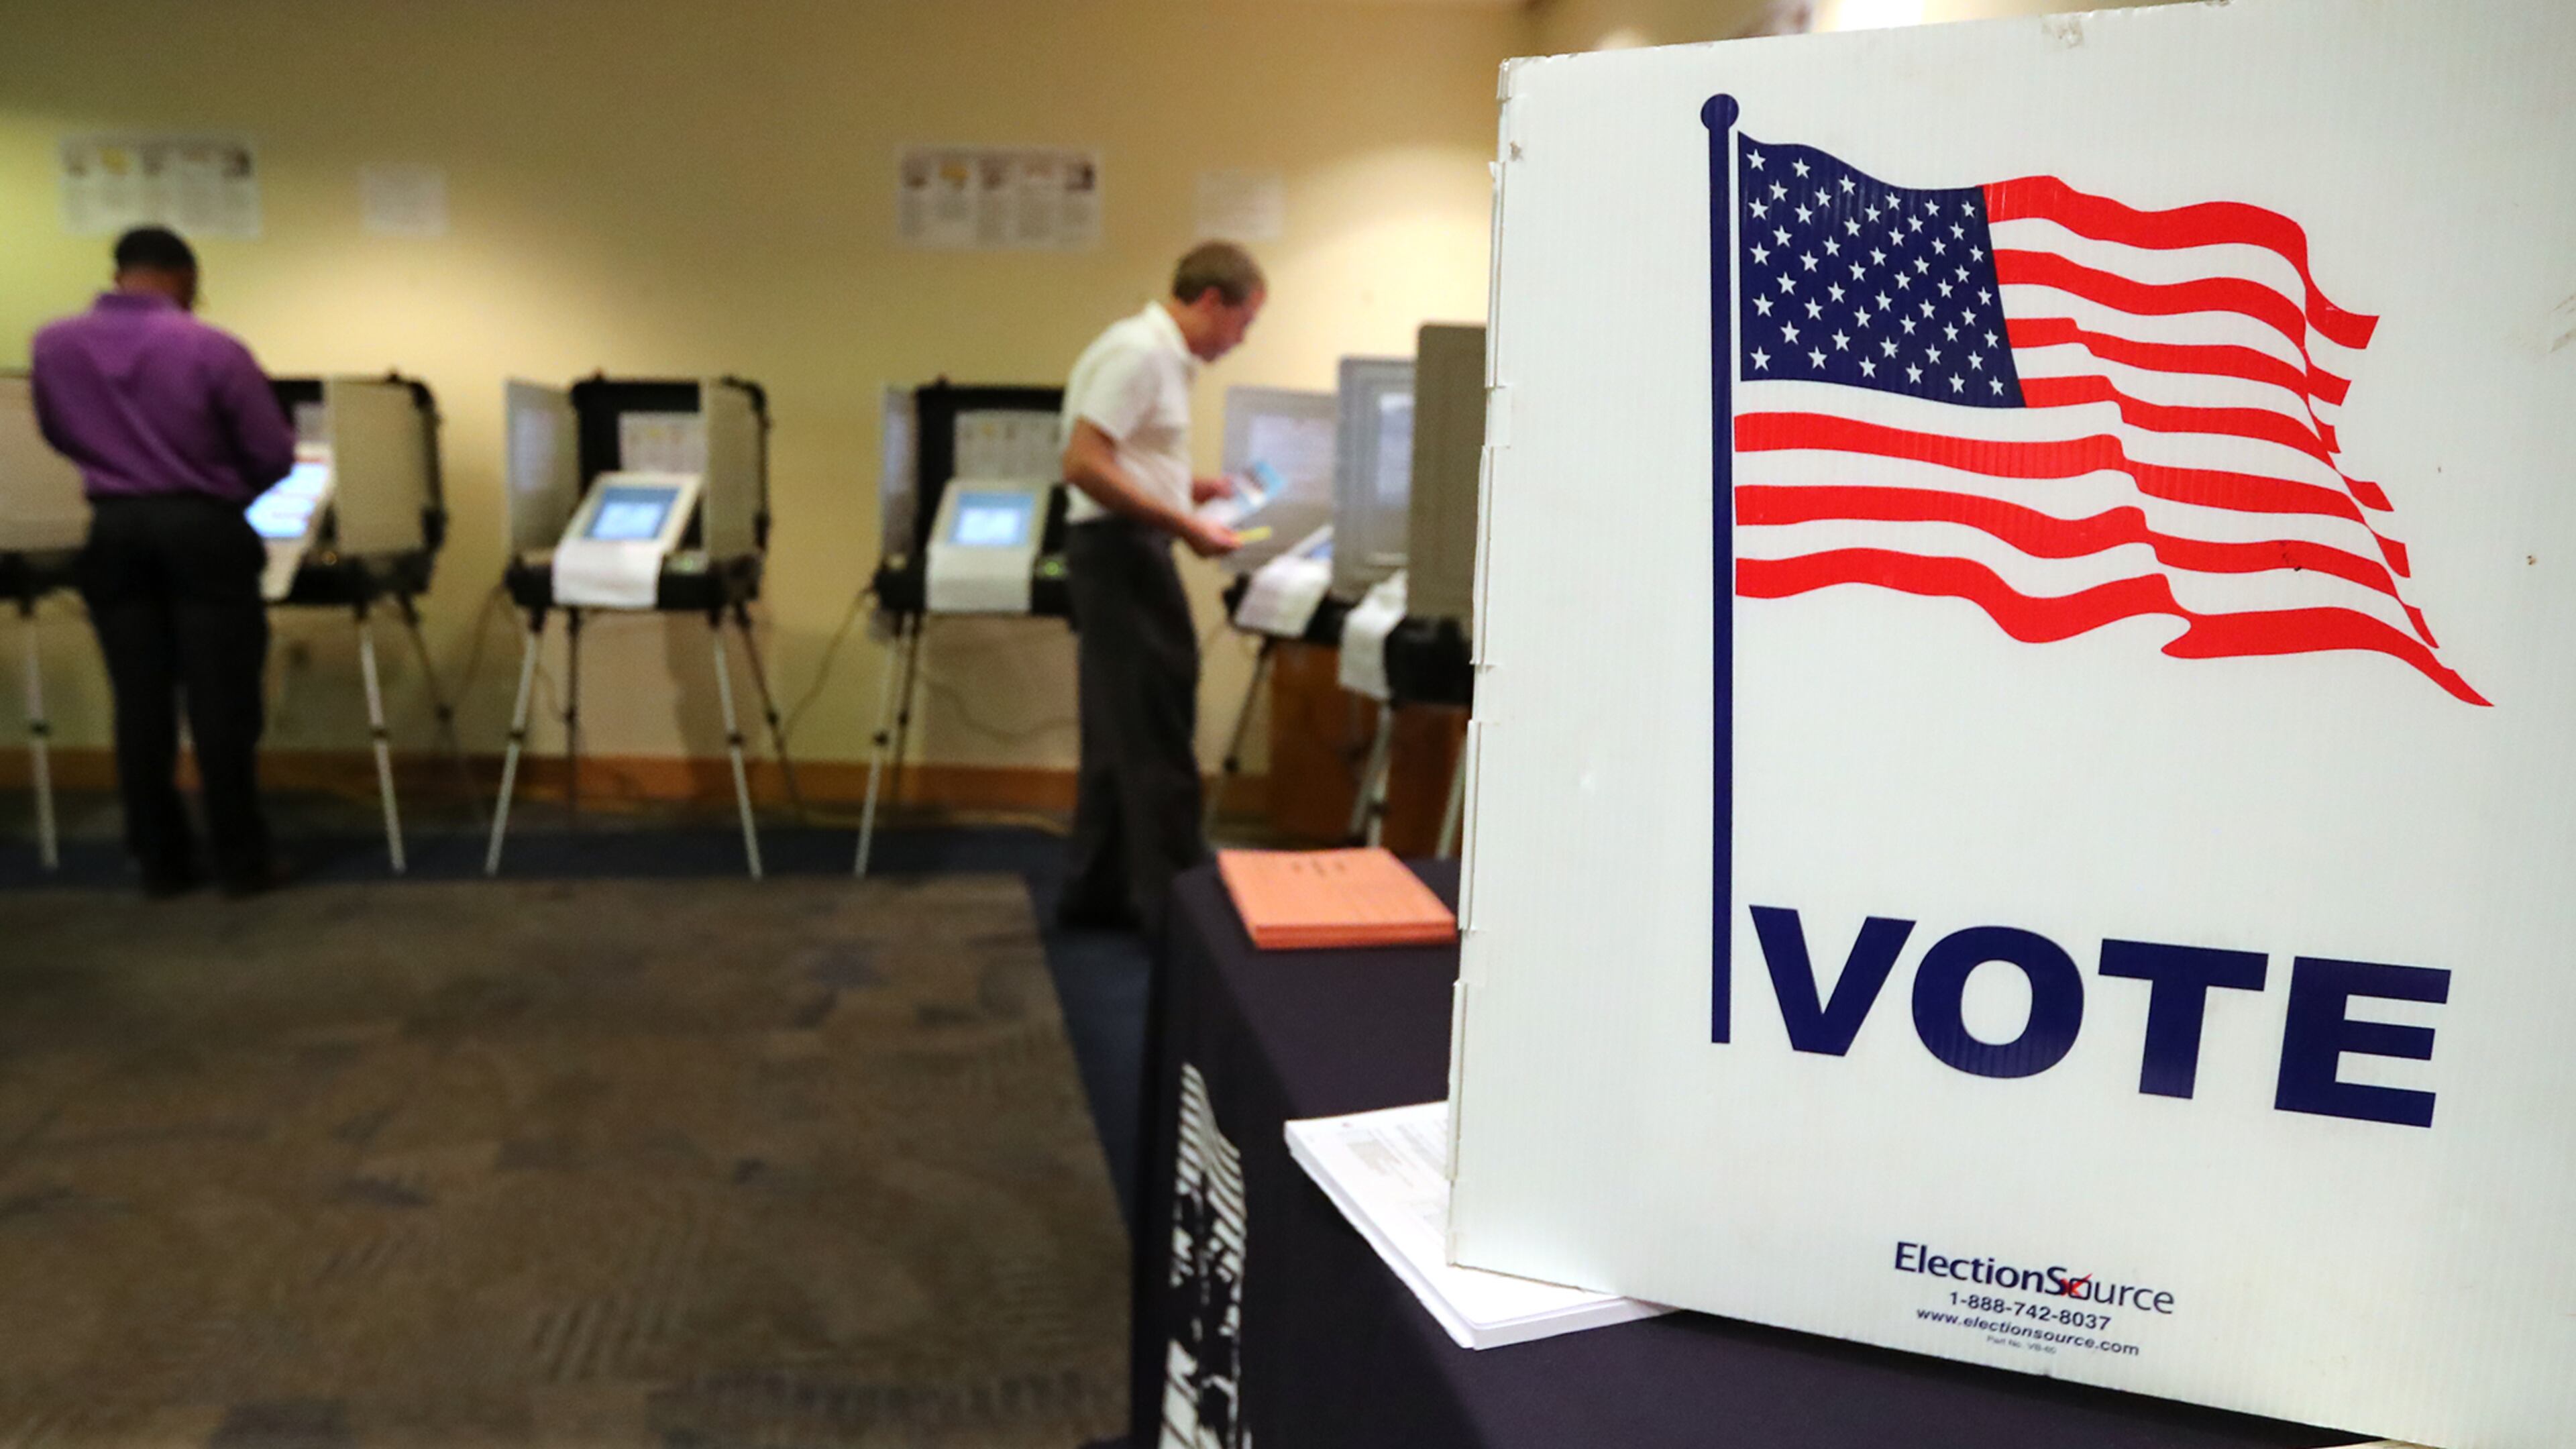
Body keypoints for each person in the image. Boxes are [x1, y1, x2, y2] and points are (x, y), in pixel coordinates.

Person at [30, 225, 295, 898]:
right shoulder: (211, 346)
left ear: (119, 274)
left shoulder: (54, 345)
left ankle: (160, 862)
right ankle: (241, 860)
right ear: (186, 278)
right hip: (204, 528)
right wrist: (225, 490)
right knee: (221, 701)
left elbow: (59, 431)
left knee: (139, 702)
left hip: (114, 529)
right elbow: (272, 453)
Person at [1055, 241, 1267, 935]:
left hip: (1117, 550)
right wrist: (1183, 521)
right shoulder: (1141, 354)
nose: (1242, 340)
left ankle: (1098, 894)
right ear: (1211, 301)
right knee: (1157, 727)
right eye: (1243, 322)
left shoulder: (1153, 355)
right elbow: (1084, 464)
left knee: (1120, 731)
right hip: (1121, 556)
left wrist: (1191, 487)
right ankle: (1181, 916)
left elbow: (1125, 456)